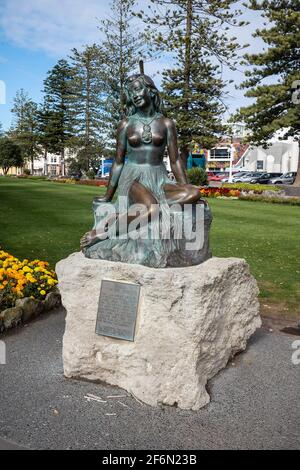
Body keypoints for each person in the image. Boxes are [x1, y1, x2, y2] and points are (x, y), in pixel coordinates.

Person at [81, 72, 203, 267]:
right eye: (131, 92)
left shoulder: (166, 124)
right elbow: (118, 161)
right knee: (151, 208)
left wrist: (183, 187)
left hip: (159, 178)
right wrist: (107, 196)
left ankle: (149, 208)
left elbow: (175, 161)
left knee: (193, 192)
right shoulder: (126, 124)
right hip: (133, 178)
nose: (134, 95)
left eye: (138, 89)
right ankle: (104, 232)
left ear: (150, 91)